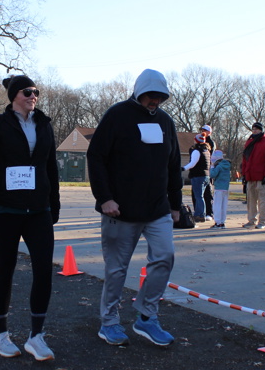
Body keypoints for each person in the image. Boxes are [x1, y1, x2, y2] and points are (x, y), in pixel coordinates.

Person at [87, 69, 182, 347]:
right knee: (117, 270)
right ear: (139, 92)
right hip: (120, 210)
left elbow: (174, 164)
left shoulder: (165, 121)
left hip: (158, 208)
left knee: (165, 257)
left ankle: (147, 317)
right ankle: (109, 322)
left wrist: (175, 204)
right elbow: (96, 156)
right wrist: (105, 198)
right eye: (150, 95)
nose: (155, 101)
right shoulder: (117, 115)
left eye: (160, 97)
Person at [0, 75, 60, 361]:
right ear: (14, 96)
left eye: (36, 91)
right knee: (5, 270)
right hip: (5, 210)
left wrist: (54, 204)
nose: (33, 95)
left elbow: (51, 167)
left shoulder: (44, 125)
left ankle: (36, 336)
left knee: (44, 270)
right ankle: (1, 335)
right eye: (27, 92)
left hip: (38, 210)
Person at [240, 121, 265, 229]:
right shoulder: (249, 142)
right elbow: (245, 159)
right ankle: (251, 220)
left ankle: (262, 221)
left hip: (261, 176)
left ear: (261, 130)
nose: (254, 131)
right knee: (251, 200)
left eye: (256, 129)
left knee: (262, 200)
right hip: (250, 176)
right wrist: (244, 174)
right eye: (253, 129)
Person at [182, 133, 211, 222]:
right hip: (206, 176)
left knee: (198, 197)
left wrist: (183, 168)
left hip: (198, 176)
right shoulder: (206, 151)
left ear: (196, 141)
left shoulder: (197, 151)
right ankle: (201, 213)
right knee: (201, 196)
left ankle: (200, 215)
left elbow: (192, 163)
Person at [209, 149, 231, 229]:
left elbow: (212, 175)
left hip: (218, 188)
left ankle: (218, 222)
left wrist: (212, 167)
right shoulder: (227, 166)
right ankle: (222, 222)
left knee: (217, 206)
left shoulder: (218, 166)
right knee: (223, 206)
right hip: (225, 188)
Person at [199, 124, 216, 218]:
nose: (202, 132)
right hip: (200, 170)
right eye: (202, 130)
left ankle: (209, 212)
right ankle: (201, 212)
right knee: (199, 193)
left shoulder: (210, 142)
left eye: (204, 130)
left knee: (207, 192)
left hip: (208, 169)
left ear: (209, 132)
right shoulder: (200, 141)